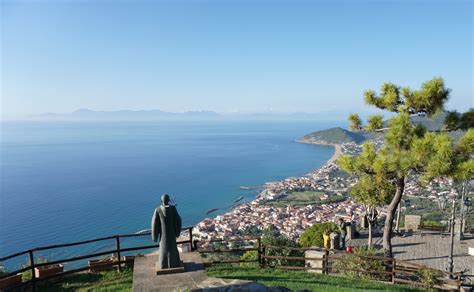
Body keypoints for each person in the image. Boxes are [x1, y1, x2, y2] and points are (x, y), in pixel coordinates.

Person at [151, 194, 182, 270]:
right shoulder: (173, 209)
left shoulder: (158, 210)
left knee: (163, 248)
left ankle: (163, 264)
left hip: (163, 235)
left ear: (161, 201)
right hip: (172, 234)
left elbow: (154, 224)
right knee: (172, 248)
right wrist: (177, 232)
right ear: (168, 200)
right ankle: (174, 263)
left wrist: (154, 236)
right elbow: (178, 220)